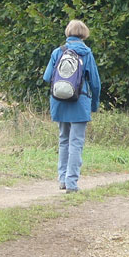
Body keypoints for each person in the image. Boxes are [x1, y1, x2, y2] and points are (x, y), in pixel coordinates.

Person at [42, 19, 102, 192]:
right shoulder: (87, 53)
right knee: (76, 142)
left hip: (59, 101)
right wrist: (94, 104)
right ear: (84, 34)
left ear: (68, 32)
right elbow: (95, 82)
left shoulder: (57, 52)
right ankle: (72, 183)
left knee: (63, 140)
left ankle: (62, 179)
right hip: (80, 101)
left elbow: (47, 77)